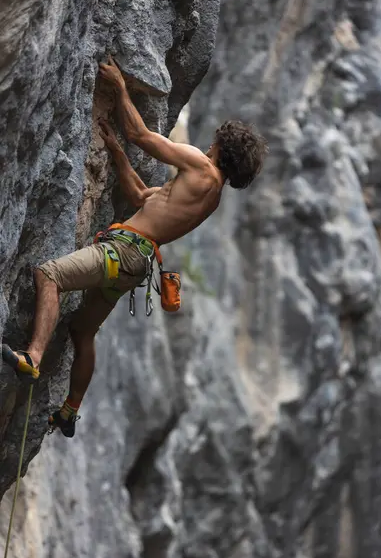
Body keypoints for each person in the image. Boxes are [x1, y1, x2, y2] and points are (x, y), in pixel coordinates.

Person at [1, 57, 267, 438]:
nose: (210, 141)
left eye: (216, 139)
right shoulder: (211, 197)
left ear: (222, 146)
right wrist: (118, 154)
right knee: (82, 333)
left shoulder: (201, 167)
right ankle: (69, 411)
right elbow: (143, 194)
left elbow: (142, 134)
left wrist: (121, 89)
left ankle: (33, 356)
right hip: (134, 266)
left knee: (49, 275)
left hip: (123, 252)